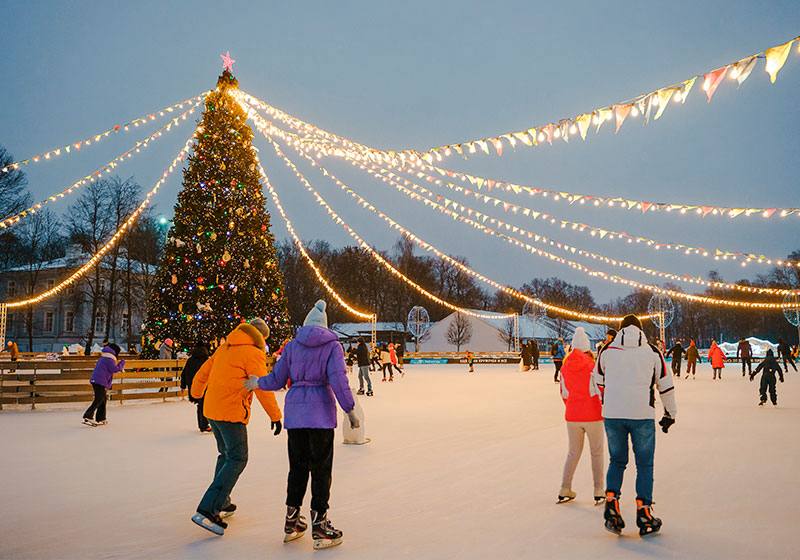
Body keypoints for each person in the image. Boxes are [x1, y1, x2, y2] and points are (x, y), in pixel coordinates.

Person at [246, 300, 359, 550]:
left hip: (296, 416)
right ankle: (319, 525)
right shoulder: (332, 346)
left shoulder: (292, 346)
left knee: (297, 468)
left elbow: (277, 379)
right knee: (320, 470)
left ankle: (292, 521)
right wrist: (349, 409)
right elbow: (338, 380)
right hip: (320, 416)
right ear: (324, 326)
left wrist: (257, 382)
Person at [190, 319, 282, 536]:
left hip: (212, 409)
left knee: (225, 454)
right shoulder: (253, 353)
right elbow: (261, 385)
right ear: (260, 337)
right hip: (231, 412)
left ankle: (222, 501)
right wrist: (275, 415)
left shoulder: (225, 347)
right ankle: (208, 509)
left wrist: (196, 392)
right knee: (238, 457)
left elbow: (203, 371)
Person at [592, 315, 677, 537]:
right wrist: (670, 413)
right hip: (642, 415)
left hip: (613, 416)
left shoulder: (607, 350)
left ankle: (612, 504)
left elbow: (597, 380)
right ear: (640, 330)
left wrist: (608, 400)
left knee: (617, 461)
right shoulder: (652, 351)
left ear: (620, 330)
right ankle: (644, 512)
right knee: (644, 464)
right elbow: (665, 384)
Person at [557, 327, 604, 506]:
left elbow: (564, 393)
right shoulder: (592, 367)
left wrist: (573, 407)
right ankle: (598, 490)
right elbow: (599, 391)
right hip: (593, 416)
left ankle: (565, 487)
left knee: (573, 452)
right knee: (596, 452)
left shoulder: (565, 368)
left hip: (572, 416)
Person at [82, 343, 125, 426]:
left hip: (97, 380)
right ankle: (88, 415)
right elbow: (114, 369)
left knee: (103, 399)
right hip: (99, 381)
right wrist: (122, 363)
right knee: (99, 399)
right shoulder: (109, 359)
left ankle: (101, 418)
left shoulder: (105, 357)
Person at [180, 342, 211, 433]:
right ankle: (204, 425)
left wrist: (183, 385)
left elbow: (184, 373)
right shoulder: (207, 360)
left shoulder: (190, 360)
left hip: (194, 386)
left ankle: (203, 425)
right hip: (205, 386)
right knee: (204, 405)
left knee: (201, 405)